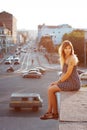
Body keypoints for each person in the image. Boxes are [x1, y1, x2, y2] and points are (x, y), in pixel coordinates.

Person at [40, 40, 81, 120]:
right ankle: (51, 112)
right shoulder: (65, 58)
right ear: (63, 49)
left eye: (69, 48)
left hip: (74, 83)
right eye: (66, 48)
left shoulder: (72, 58)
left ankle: (52, 112)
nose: (68, 50)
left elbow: (68, 74)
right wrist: (57, 82)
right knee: (50, 88)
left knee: (51, 90)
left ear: (71, 49)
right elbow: (63, 73)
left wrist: (58, 82)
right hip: (68, 81)